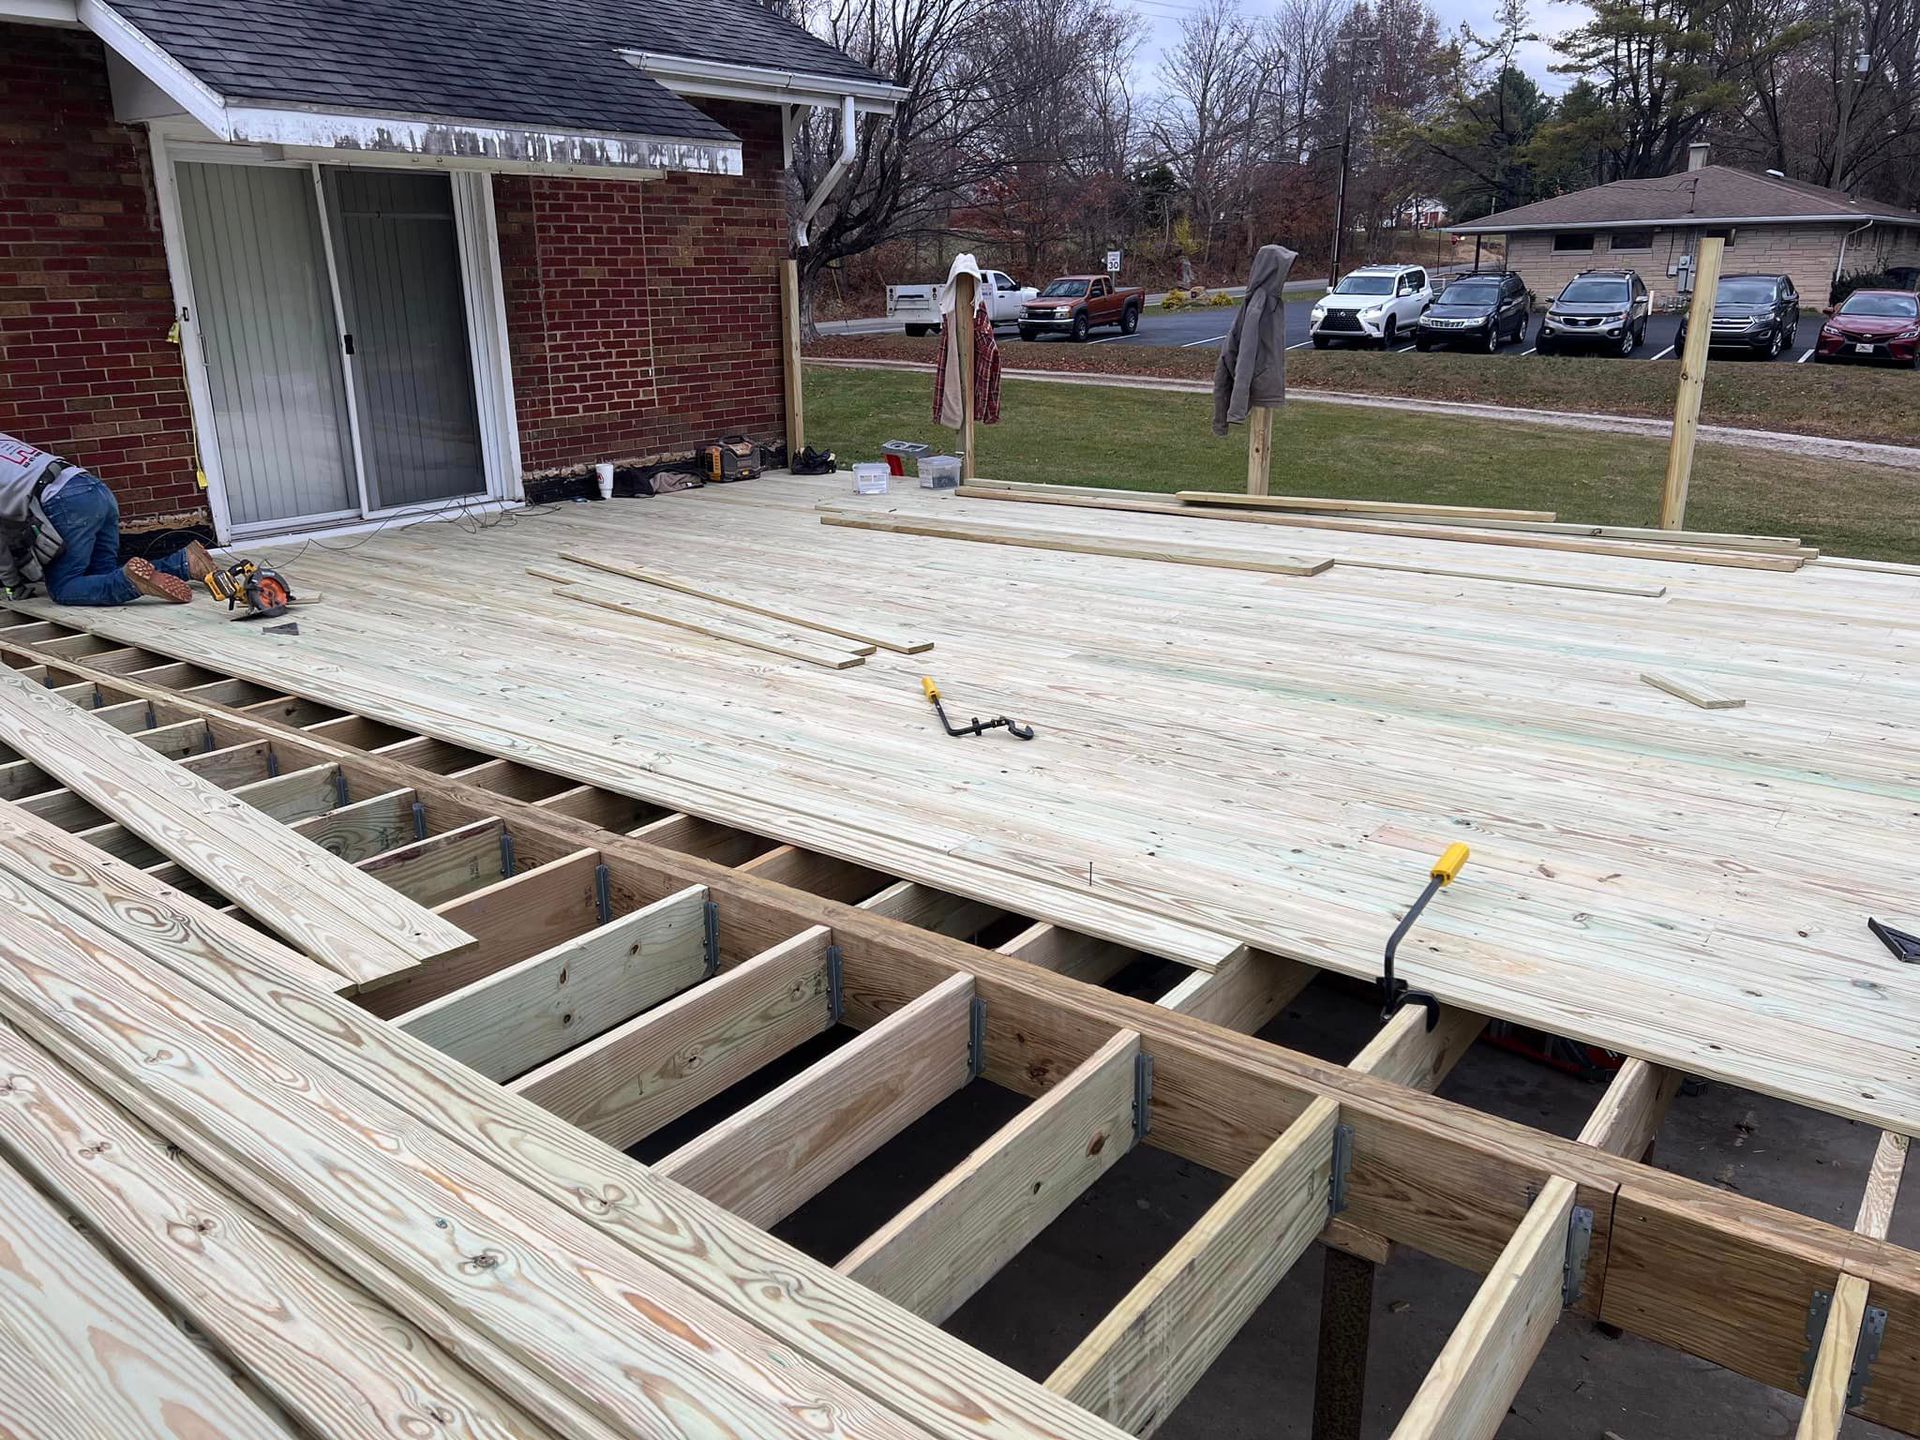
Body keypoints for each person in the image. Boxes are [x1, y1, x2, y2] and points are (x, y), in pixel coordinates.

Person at [0, 432, 212, 605]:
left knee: (63, 588)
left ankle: (130, 583)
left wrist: (13, 585)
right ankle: (185, 563)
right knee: (102, 574)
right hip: (92, 487)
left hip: (65, 501)